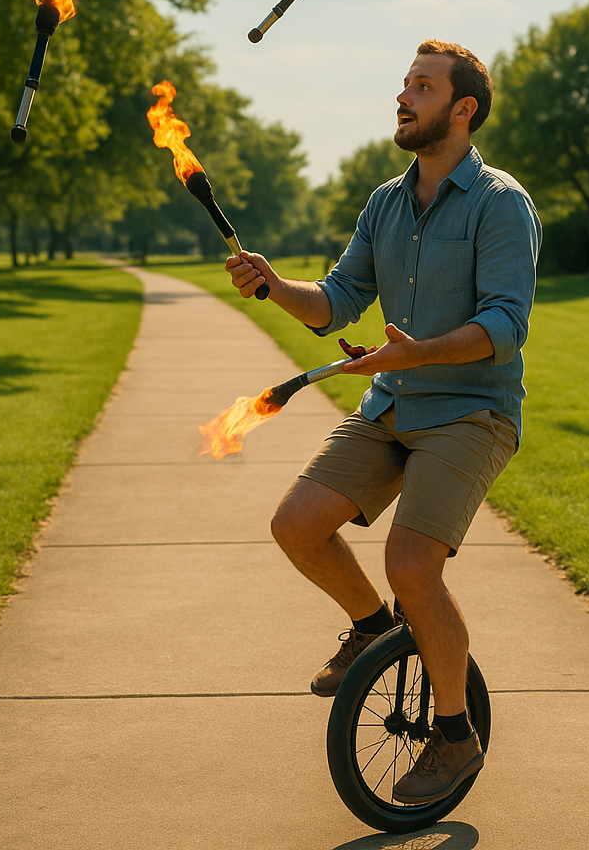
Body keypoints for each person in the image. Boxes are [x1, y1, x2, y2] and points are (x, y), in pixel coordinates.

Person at [224, 40, 540, 805]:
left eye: (423, 86)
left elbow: (505, 325)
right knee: (296, 524)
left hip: (471, 412)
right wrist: (273, 286)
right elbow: (335, 299)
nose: (404, 96)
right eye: (404, 83)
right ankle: (371, 629)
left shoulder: (502, 202)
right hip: (392, 403)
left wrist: (420, 352)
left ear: (462, 109)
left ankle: (456, 736)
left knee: (411, 565)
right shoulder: (386, 201)